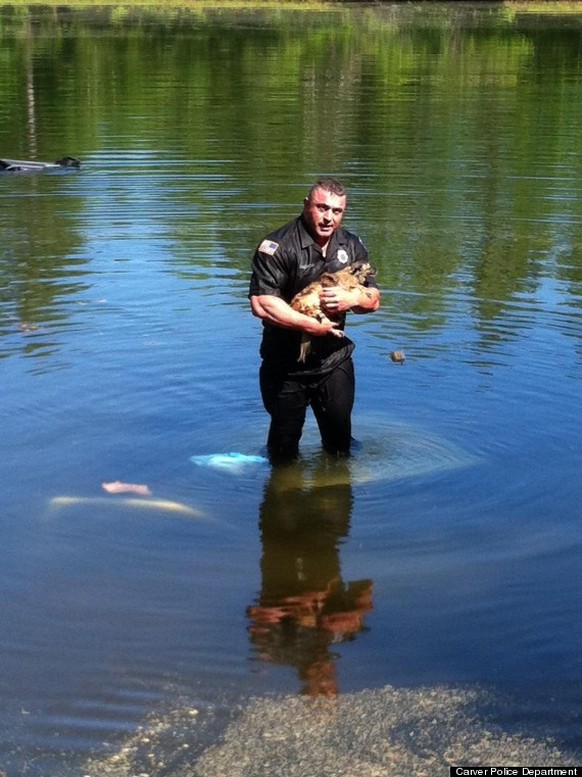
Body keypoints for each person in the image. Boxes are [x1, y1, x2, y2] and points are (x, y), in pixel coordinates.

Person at [249, 177, 380, 462]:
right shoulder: (277, 246)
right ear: (307, 205)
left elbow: (374, 299)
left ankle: (334, 496)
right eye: (322, 208)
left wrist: (353, 300)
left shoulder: (351, 245)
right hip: (285, 365)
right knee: (282, 456)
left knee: (340, 448)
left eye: (336, 211)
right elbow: (262, 304)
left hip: (333, 360)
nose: (328, 217)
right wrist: (310, 325)